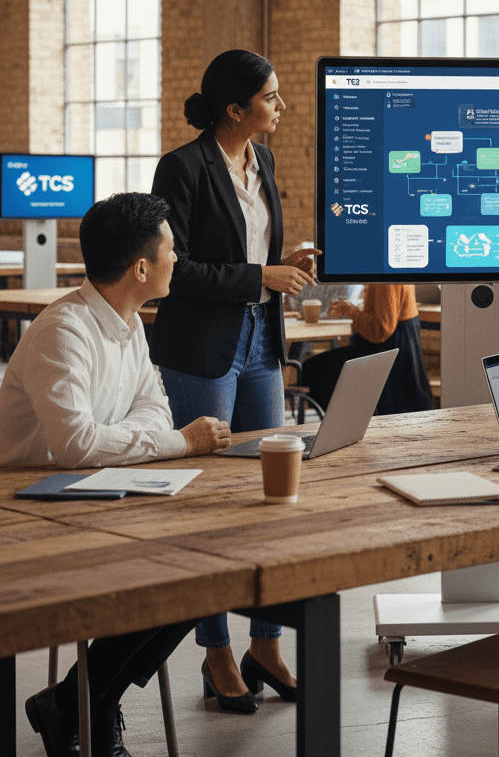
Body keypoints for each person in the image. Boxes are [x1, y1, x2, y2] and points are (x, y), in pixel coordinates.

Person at [0, 193, 231, 757]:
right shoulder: (64, 331)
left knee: (201, 571)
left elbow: (153, 411)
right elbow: (77, 443)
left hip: (95, 494)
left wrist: (154, 437)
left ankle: (81, 701)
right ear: (141, 268)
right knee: (166, 572)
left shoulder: (129, 327)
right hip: (25, 509)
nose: (179, 259)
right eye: (172, 250)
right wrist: (175, 443)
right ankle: (84, 704)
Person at [150, 49, 317, 713]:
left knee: (273, 492)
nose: (280, 107)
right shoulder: (183, 168)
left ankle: (266, 643)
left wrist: (283, 264)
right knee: (213, 500)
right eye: (271, 98)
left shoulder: (263, 162)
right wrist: (259, 277)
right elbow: (173, 270)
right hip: (203, 346)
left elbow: (252, 254)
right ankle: (217, 650)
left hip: (259, 344)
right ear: (235, 109)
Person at [301, 283, 432, 414]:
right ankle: (354, 420)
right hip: (397, 344)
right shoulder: (389, 270)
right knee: (317, 368)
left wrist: (352, 312)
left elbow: (381, 330)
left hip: (385, 350)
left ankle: (347, 424)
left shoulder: (384, 279)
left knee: (313, 370)